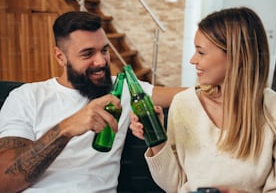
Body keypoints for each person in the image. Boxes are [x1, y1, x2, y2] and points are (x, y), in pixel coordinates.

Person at [0, 11, 183, 193]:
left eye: (104, 50)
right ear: (60, 57)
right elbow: (5, 182)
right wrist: (67, 128)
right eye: (87, 54)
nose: (101, 61)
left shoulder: (123, 89)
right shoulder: (27, 96)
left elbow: (192, 95)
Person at [130, 7, 276, 193]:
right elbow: (174, 185)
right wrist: (156, 139)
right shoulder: (184, 104)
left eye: (201, 52)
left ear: (236, 56)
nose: (192, 60)